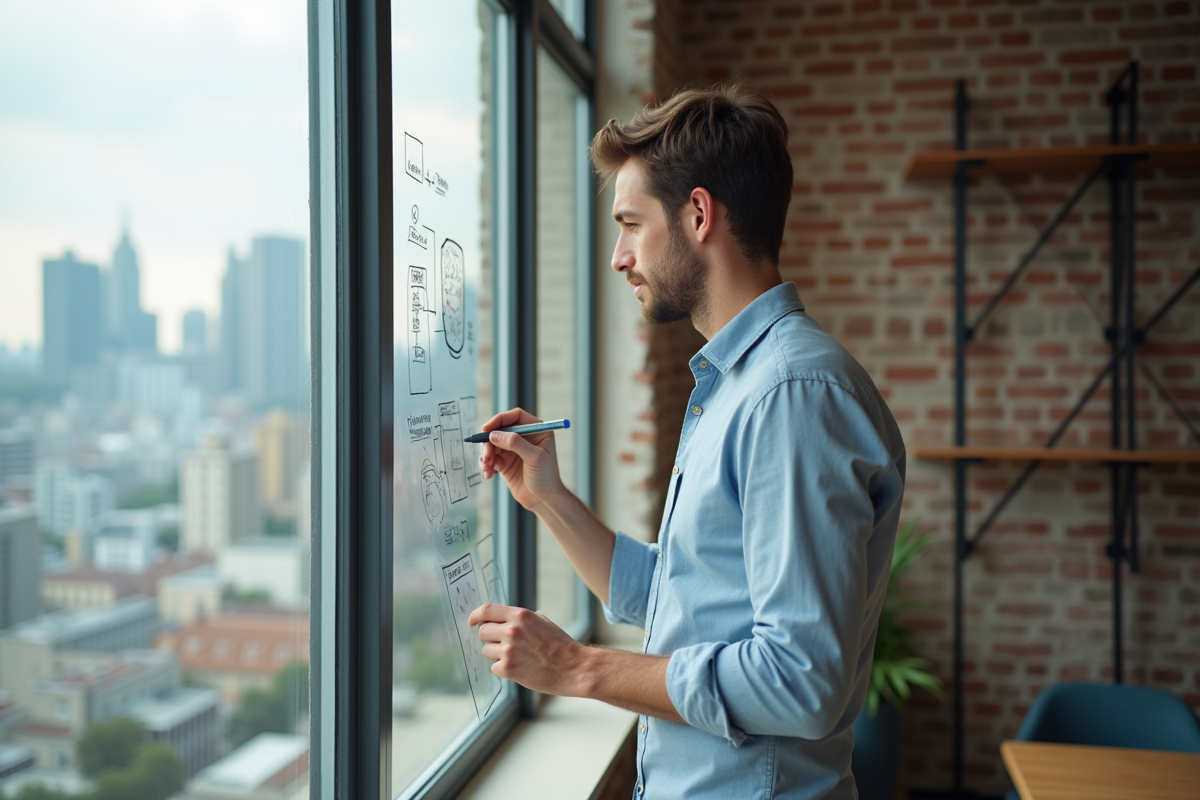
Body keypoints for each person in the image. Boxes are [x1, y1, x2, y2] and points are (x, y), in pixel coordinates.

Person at [468, 85, 906, 799]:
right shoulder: (739, 385)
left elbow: (800, 681)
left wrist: (578, 667)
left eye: (632, 225)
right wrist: (548, 498)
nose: (618, 257)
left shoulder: (789, 396)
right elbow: (678, 594)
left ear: (699, 215)